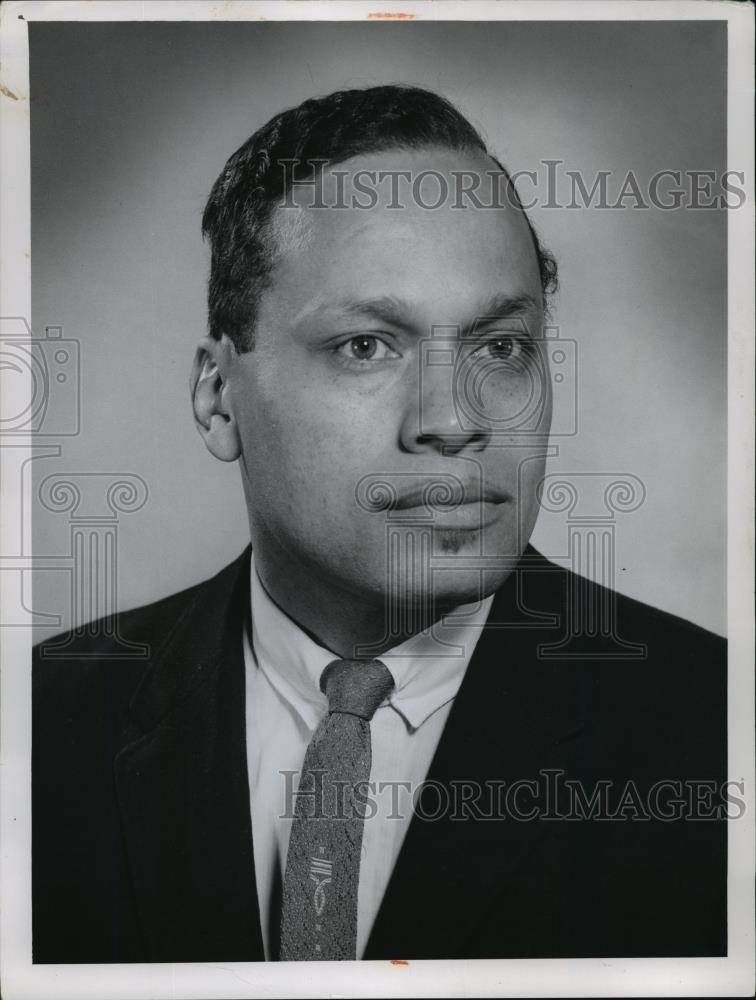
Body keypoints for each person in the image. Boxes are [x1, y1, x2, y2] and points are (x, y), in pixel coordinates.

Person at [32, 85, 727, 964]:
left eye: (500, 347)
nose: (451, 418)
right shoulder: (35, 733)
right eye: (367, 346)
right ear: (218, 400)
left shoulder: (716, 734)